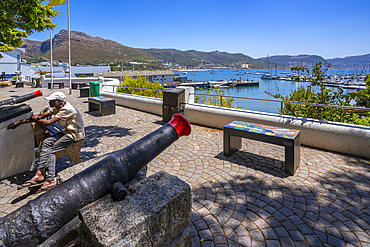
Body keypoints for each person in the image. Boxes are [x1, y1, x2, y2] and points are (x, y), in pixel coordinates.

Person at [8, 92, 85, 192]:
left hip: (74, 134)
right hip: (66, 131)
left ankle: (50, 179)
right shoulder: (58, 107)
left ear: (60, 101)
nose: (49, 102)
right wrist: (19, 123)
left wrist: (38, 119)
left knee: (52, 150)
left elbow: (48, 122)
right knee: (46, 142)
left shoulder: (67, 109)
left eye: (52, 100)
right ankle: (39, 173)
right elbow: (40, 117)